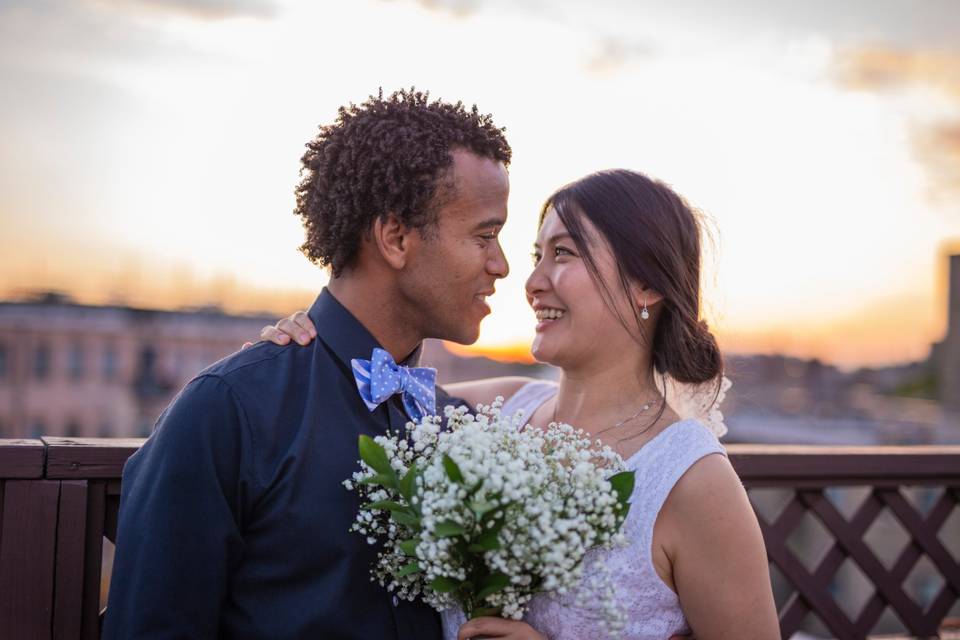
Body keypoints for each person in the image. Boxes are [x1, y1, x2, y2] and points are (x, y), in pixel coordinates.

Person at [262, 170, 781, 639]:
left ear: (645, 284)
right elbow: (368, 391)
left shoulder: (694, 483)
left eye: (564, 253)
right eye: (538, 256)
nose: (532, 283)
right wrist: (304, 347)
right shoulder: (497, 410)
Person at [101, 88, 514, 639]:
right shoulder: (229, 410)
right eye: (485, 235)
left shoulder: (451, 422)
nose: (502, 265)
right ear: (395, 238)